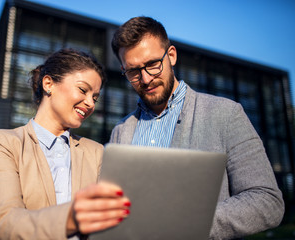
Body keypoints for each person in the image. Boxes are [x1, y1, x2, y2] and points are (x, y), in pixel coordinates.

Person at [110, 16, 284, 239]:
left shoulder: (225, 114)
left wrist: (188, 224)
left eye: (153, 64)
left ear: (171, 55)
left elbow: (267, 200)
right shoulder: (121, 130)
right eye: (133, 71)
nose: (145, 79)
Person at [0, 49, 131, 240]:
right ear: (49, 84)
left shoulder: (98, 153)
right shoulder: (3, 143)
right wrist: (70, 218)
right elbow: (4, 223)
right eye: (83, 90)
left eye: (95, 98)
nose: (90, 103)